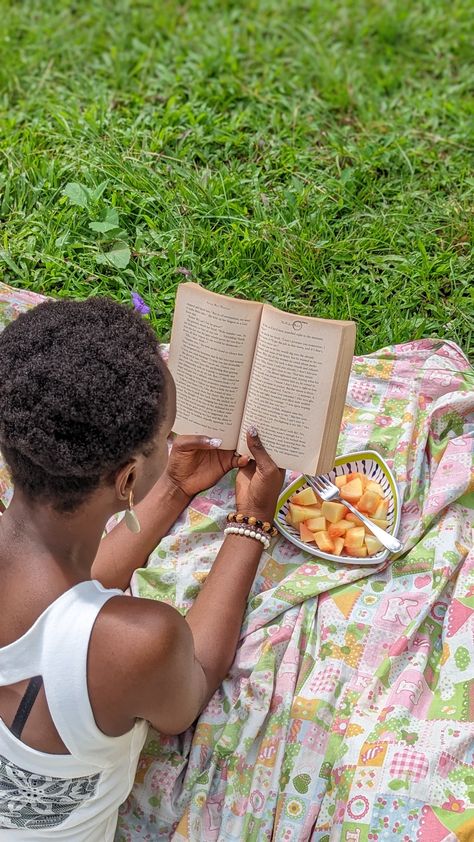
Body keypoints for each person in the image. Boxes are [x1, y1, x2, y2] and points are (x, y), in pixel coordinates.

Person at [0, 296, 284, 840]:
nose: (175, 442)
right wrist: (252, 520)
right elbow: (188, 692)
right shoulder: (136, 642)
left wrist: (173, 486)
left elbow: (59, 612)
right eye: (168, 436)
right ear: (128, 478)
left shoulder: (55, 600)